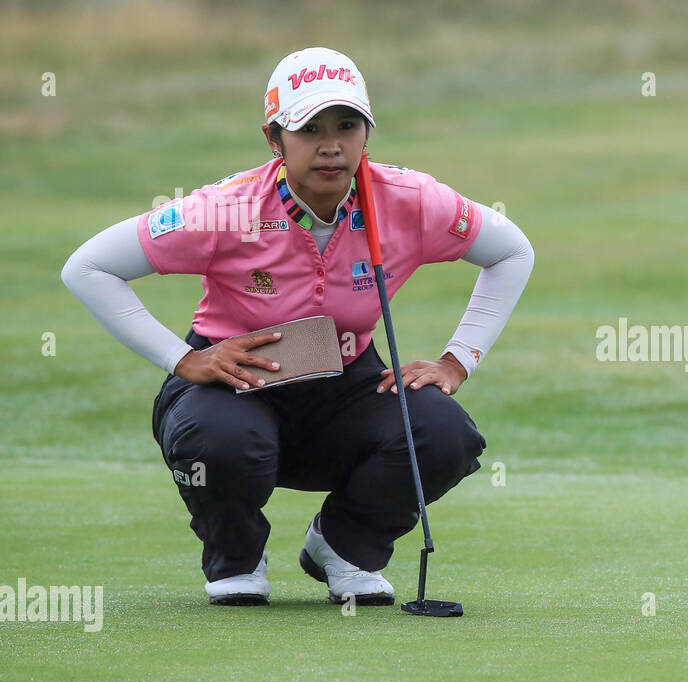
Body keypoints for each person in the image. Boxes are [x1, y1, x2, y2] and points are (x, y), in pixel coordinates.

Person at [60, 47, 534, 606]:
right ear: (274, 139)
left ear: (366, 134)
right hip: (231, 387)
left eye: (346, 125)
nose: (330, 145)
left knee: (444, 433)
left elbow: (511, 251)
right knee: (222, 441)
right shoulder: (227, 208)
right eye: (308, 128)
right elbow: (88, 267)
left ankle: (344, 547)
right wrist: (183, 360)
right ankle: (235, 556)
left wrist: (458, 361)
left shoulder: (410, 201)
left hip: (347, 386)